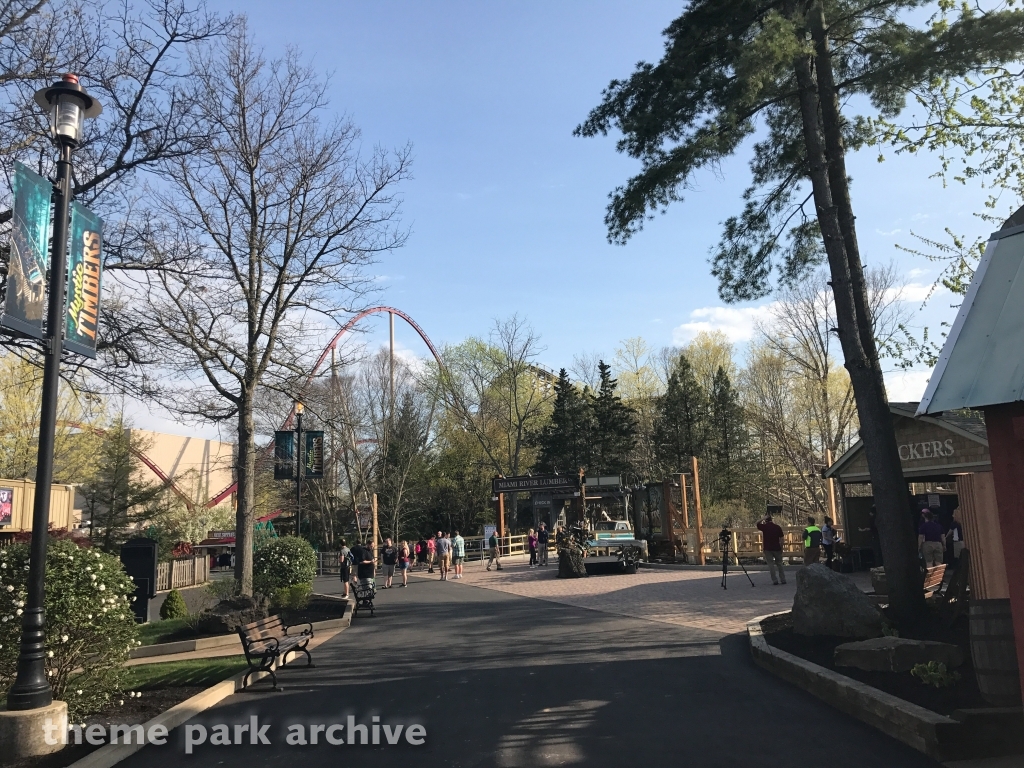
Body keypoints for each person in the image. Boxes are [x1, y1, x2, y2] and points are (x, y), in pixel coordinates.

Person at [757, 512, 786, 585]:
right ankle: (783, 579)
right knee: (779, 564)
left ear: (765, 520)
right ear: (772, 519)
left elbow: (757, 523)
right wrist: (781, 547)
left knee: (771, 565)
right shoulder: (777, 527)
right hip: (777, 547)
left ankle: (775, 580)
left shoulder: (765, 527)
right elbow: (782, 538)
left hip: (768, 548)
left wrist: (762, 518)